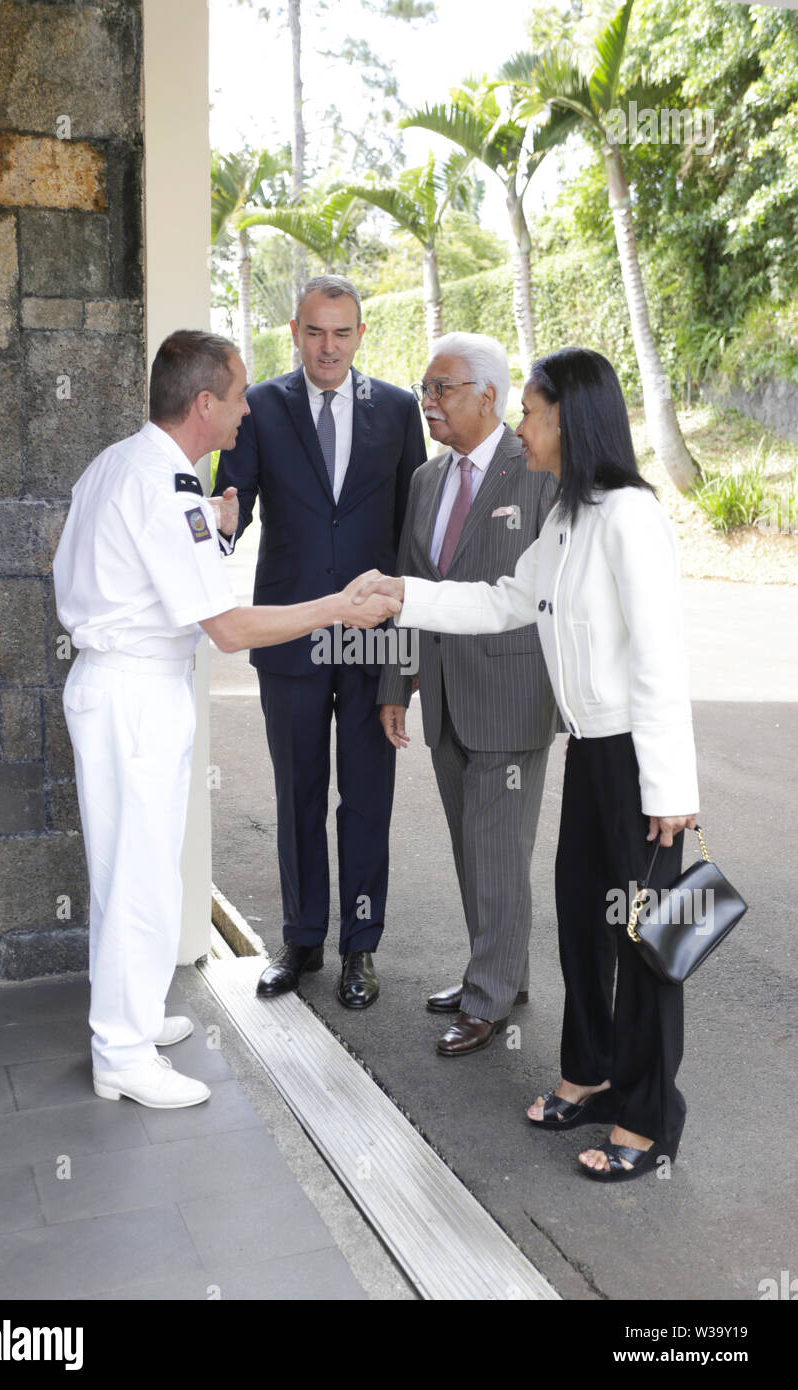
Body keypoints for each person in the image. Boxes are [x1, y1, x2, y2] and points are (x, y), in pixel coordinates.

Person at [355, 347, 699, 1180]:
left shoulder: (629, 515)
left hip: (634, 766)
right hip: (588, 750)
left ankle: (650, 1121)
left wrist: (671, 789)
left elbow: (660, 658)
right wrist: (407, 594)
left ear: (570, 421)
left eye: (533, 414)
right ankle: (590, 1074)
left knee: (650, 943)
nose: (522, 426)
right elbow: (504, 600)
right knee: (583, 923)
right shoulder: (569, 517)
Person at [53, 330, 399, 1110]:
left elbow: (89, 562)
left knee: (129, 866)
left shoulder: (124, 465)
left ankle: (132, 1017)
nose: (248, 410)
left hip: (119, 682)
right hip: (136, 692)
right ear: (204, 403)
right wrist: (339, 606)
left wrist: (209, 522)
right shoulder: (165, 487)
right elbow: (230, 628)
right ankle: (121, 1054)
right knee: (135, 872)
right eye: (239, 396)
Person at [214, 275, 426, 1009]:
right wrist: (199, 523)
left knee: (366, 797)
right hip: (292, 633)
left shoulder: (398, 411)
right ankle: (302, 940)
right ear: (294, 332)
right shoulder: (262, 408)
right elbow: (229, 509)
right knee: (298, 791)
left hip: (372, 640)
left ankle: (360, 950)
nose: (327, 346)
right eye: (314, 332)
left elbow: (412, 537)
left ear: (360, 335)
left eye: (341, 332)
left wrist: (408, 656)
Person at [377, 333, 558, 1056]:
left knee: (498, 847)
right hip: (445, 695)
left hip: (513, 693)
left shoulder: (539, 471)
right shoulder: (426, 480)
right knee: (470, 844)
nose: (428, 401)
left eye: (442, 388)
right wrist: (396, 682)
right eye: (425, 388)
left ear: (489, 394)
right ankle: (498, 971)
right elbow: (406, 585)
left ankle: (489, 998)